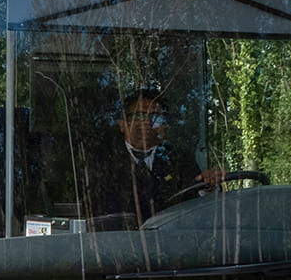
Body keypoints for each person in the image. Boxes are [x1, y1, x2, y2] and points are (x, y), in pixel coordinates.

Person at [87, 88, 221, 225]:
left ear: (164, 125)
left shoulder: (178, 159)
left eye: (156, 117)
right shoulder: (103, 161)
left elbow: (196, 203)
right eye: (139, 116)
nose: (147, 123)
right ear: (122, 124)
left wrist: (208, 187)